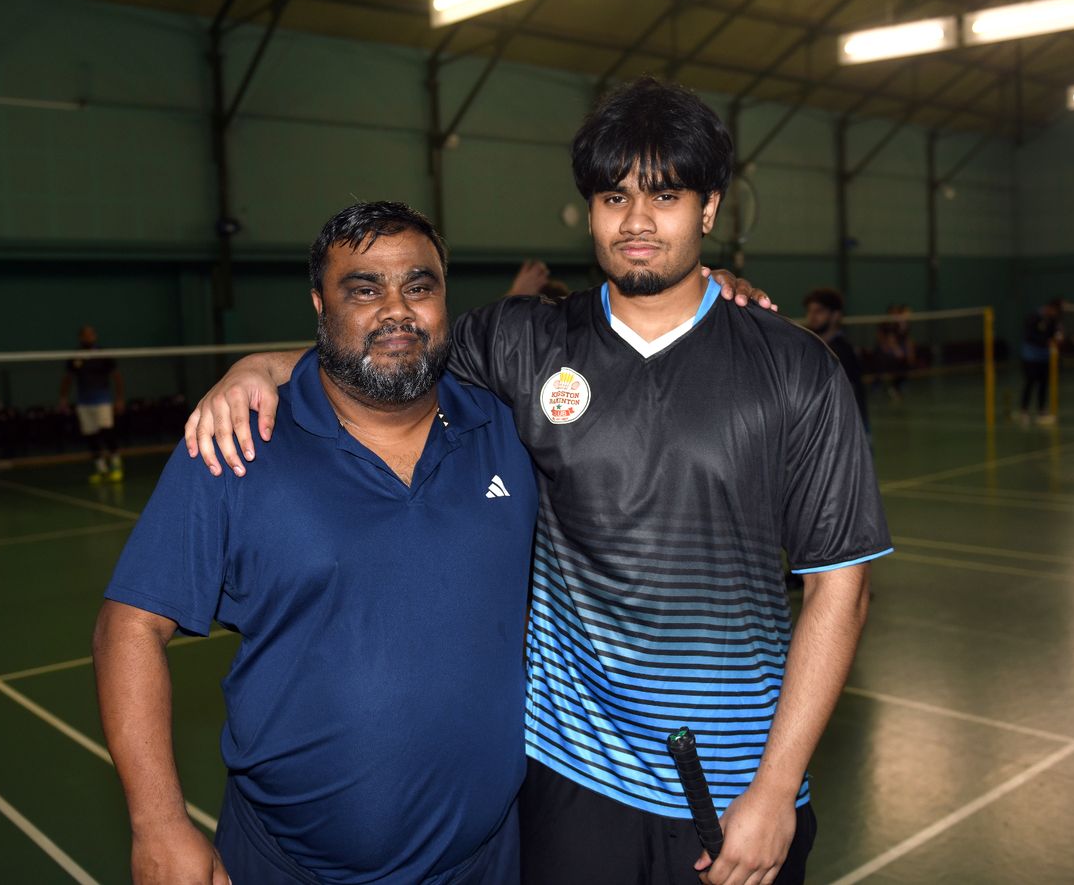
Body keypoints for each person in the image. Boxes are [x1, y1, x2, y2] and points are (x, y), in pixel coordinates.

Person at [187, 78, 891, 885]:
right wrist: (256, 367)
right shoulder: (523, 343)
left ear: (709, 207)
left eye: (666, 195)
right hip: (568, 781)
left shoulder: (796, 367)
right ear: (588, 210)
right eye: (612, 195)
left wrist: (774, 788)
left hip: (739, 790)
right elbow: (387, 355)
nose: (635, 220)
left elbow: (842, 588)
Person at [93, 202, 540, 885]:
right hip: (287, 865)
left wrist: (715, 297)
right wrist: (158, 824)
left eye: (419, 286)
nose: (397, 309)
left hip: (485, 862)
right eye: (363, 289)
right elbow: (128, 626)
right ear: (318, 305)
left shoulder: (508, 428)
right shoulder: (237, 441)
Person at [59, 325, 125, 483]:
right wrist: (63, 398)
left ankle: (116, 465)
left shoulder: (103, 354)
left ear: (94, 336)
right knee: (91, 436)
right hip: (84, 402)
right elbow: (68, 379)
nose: (89, 338)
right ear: (81, 338)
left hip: (102, 400)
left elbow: (116, 377)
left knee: (107, 432)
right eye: (85, 335)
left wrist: (119, 398)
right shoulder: (75, 356)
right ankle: (101, 469)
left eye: (91, 335)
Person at [803, 287, 868, 432]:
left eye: (819, 311)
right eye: (810, 311)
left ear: (835, 315)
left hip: (844, 428)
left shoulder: (843, 352)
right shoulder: (809, 346)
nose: (812, 316)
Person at [1018, 298, 1064, 426]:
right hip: (1030, 356)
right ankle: (1024, 411)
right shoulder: (1033, 317)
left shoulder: (1054, 320)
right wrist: (1045, 341)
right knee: (1030, 382)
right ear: (1049, 308)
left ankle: (1041, 412)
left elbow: (1056, 333)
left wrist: (1058, 336)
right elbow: (1029, 335)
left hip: (1045, 357)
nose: (1055, 314)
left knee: (1043, 384)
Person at [873, 304, 914, 403]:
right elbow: (883, 338)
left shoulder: (898, 325)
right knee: (882, 364)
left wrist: (908, 353)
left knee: (902, 364)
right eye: (893, 312)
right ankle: (878, 384)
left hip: (893, 352)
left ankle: (897, 385)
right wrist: (891, 349)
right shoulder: (885, 324)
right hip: (883, 351)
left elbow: (903, 339)